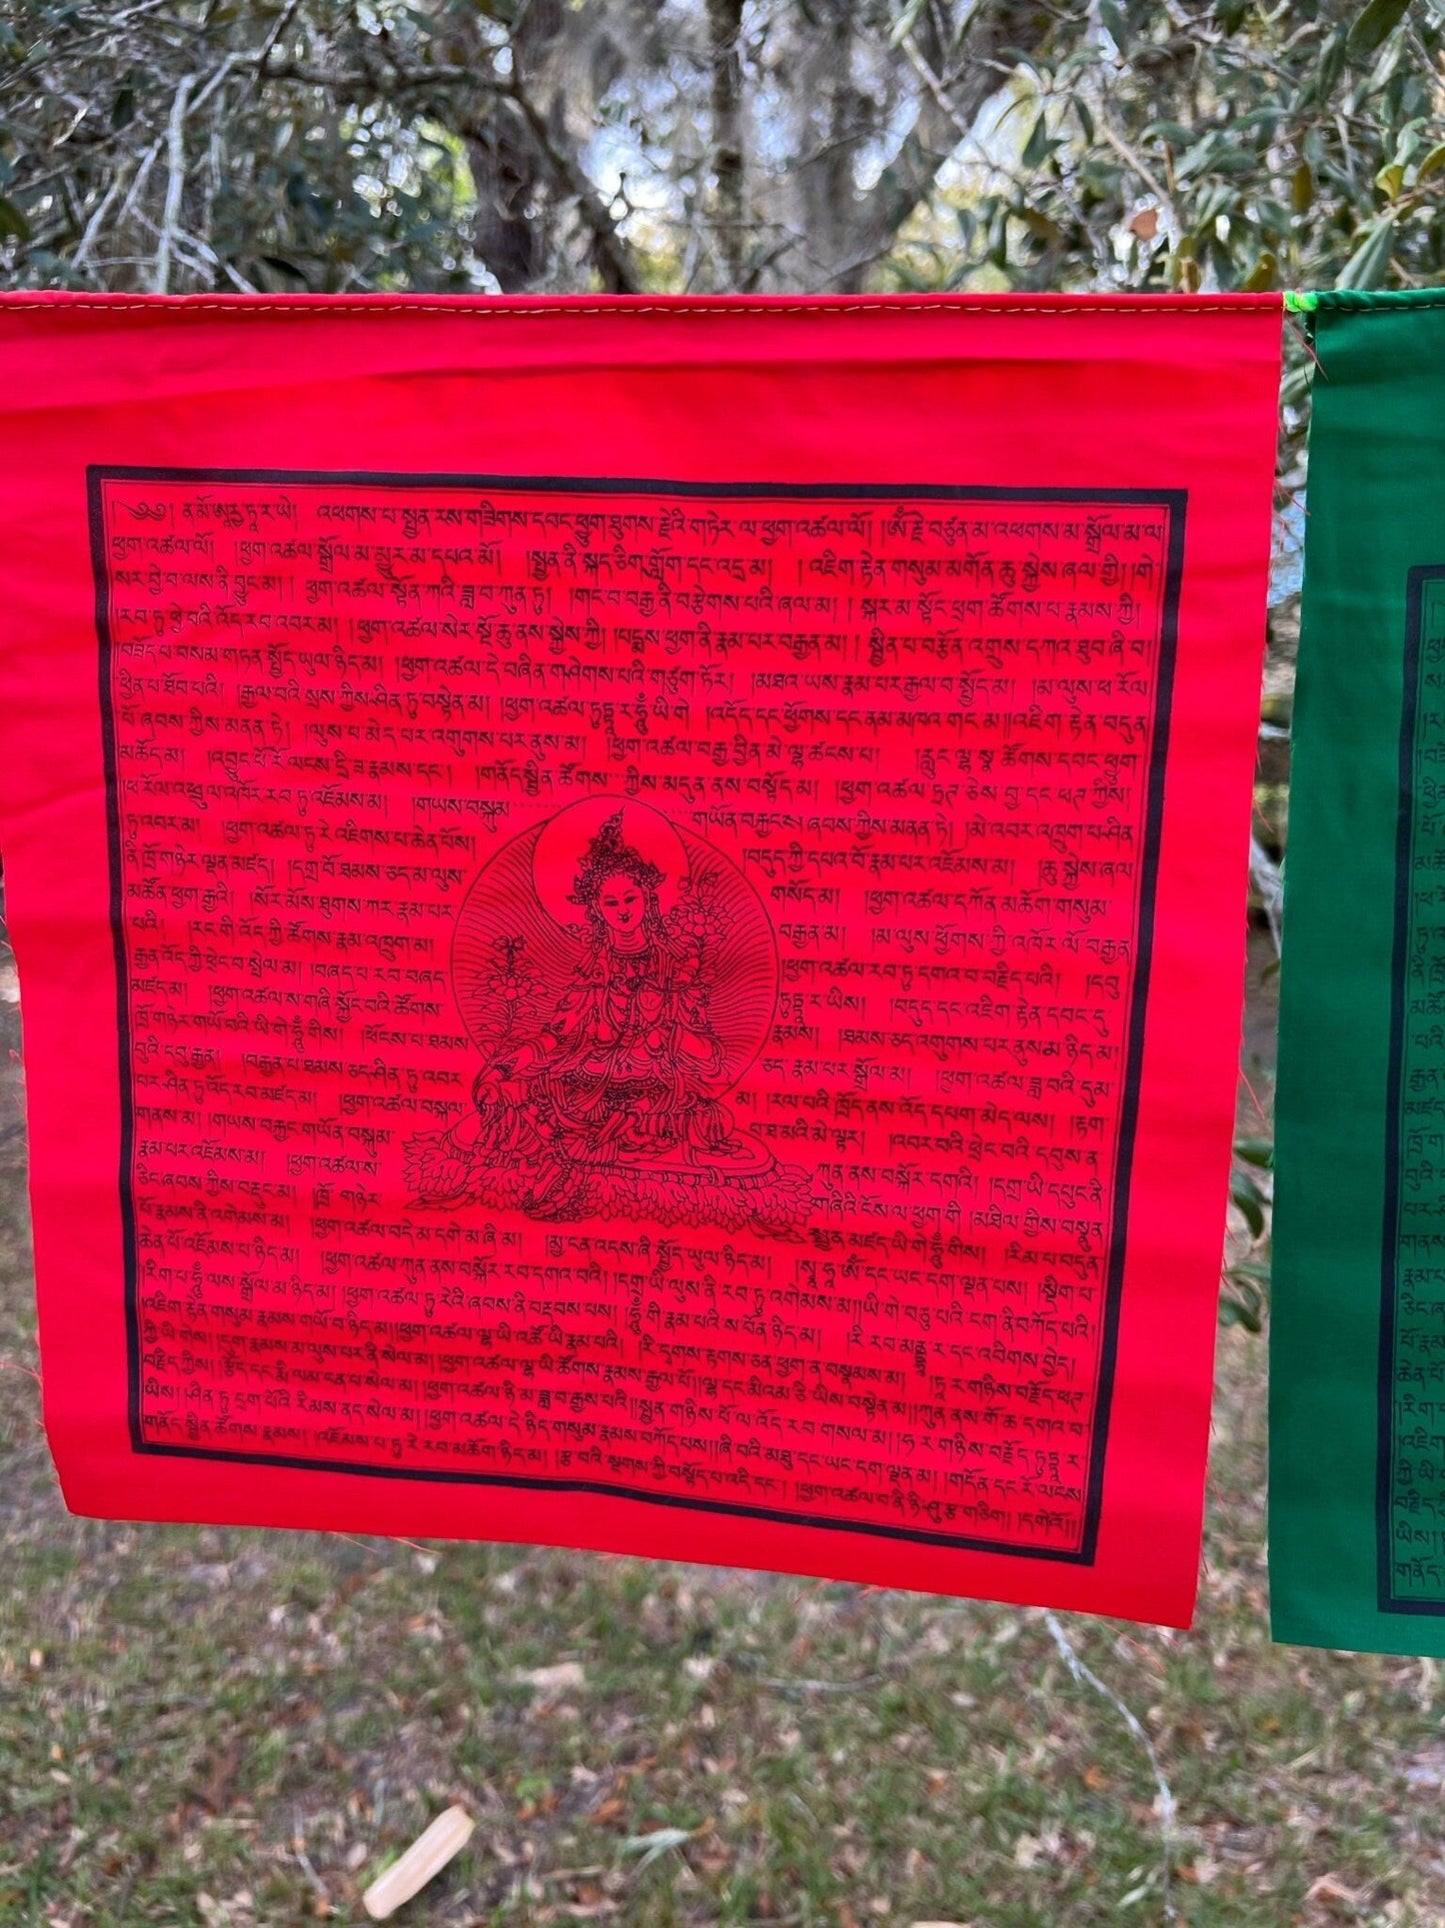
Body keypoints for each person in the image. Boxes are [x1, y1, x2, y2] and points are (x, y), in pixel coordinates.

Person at [408, 813, 809, 1230]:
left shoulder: (673, 965)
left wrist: (670, 1039)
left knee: (685, 1113)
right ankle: (572, 1155)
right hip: (586, 1082)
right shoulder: (595, 968)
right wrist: (512, 1061)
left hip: (652, 1086)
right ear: (597, 910)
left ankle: (574, 1157)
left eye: (630, 899)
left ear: (648, 899)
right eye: (611, 903)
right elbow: (557, 1035)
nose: (622, 911)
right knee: (522, 1087)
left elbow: (711, 1056)